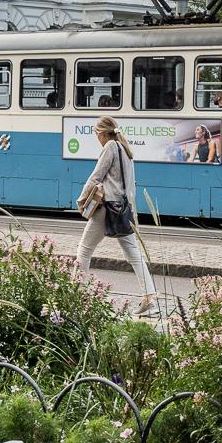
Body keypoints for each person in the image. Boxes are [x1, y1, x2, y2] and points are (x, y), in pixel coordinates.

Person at [75, 116, 157, 315]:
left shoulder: (110, 147)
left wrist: (82, 199)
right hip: (122, 209)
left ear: (102, 133)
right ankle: (150, 298)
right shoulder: (125, 149)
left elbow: (96, 176)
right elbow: (130, 185)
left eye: (97, 135)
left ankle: (78, 298)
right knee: (134, 254)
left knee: (84, 251)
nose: (98, 139)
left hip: (107, 209)